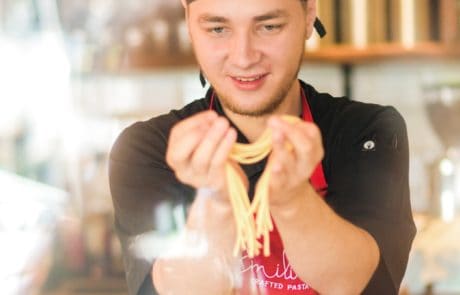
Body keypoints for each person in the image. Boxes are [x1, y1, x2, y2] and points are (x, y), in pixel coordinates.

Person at [109, 0, 416, 294]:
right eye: (218, 29)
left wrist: (292, 200)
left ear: (309, 14)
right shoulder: (149, 151)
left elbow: (363, 285)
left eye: (269, 26)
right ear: (188, 21)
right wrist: (216, 203)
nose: (243, 57)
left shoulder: (365, 132)